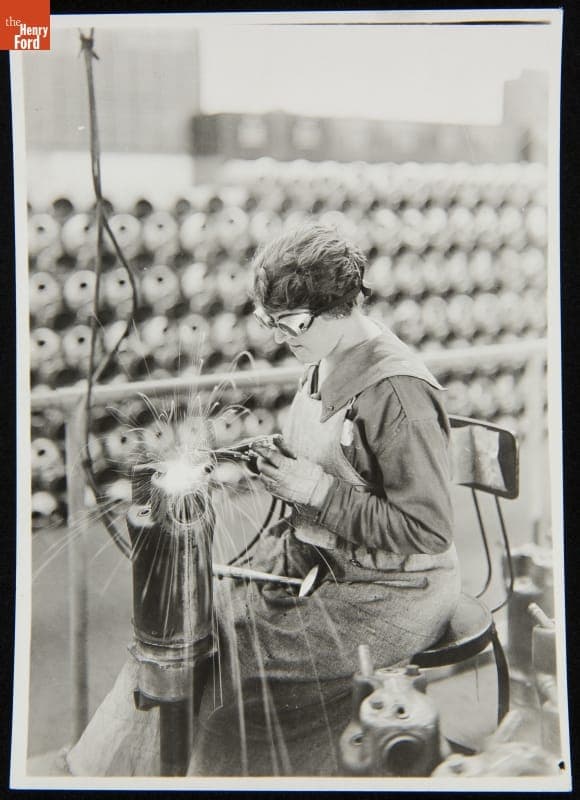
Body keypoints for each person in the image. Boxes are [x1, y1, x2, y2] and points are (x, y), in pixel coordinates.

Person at [63, 223, 460, 778]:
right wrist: (273, 457)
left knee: (225, 666)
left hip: (391, 594)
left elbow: (428, 531)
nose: (278, 337)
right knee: (193, 624)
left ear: (341, 307)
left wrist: (313, 491)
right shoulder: (323, 358)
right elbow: (339, 460)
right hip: (321, 565)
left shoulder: (397, 394)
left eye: (291, 324)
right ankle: (100, 779)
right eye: (268, 322)